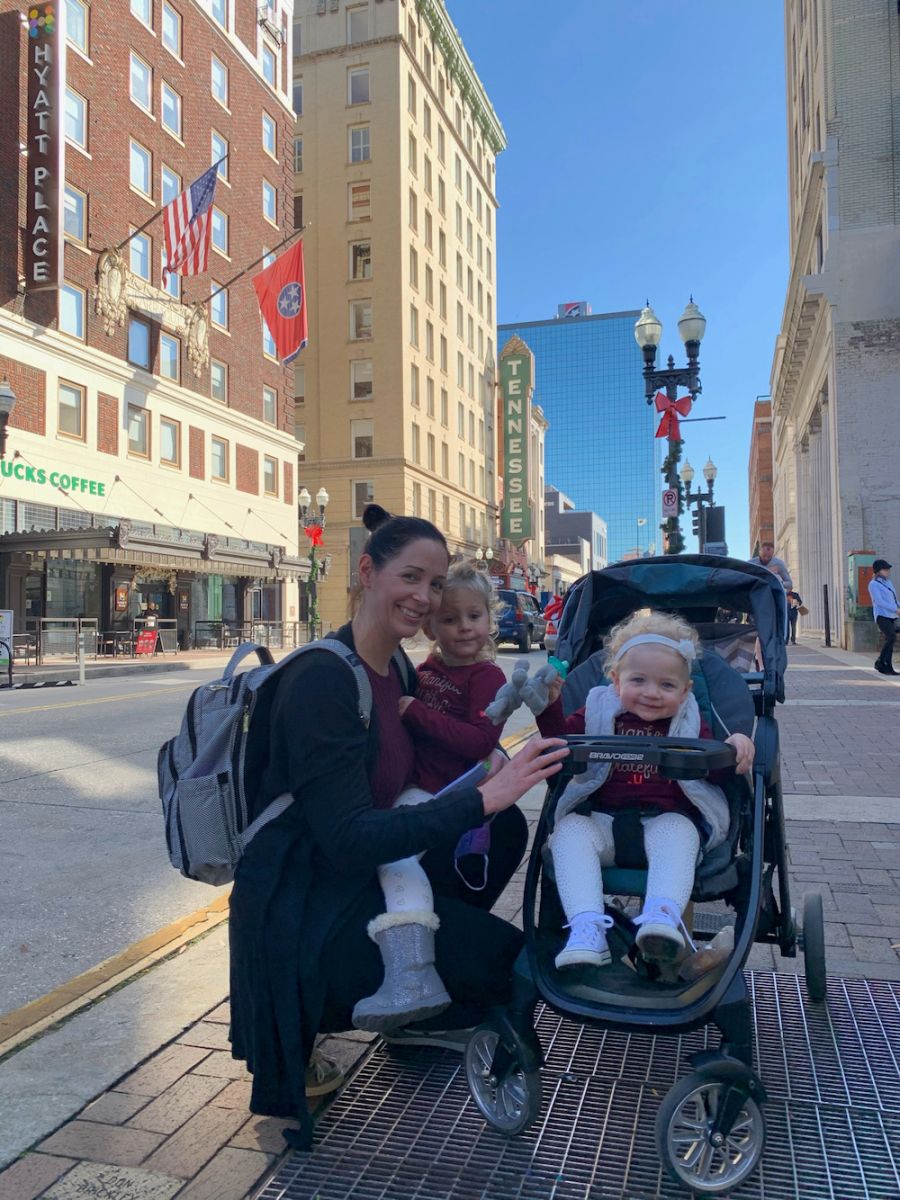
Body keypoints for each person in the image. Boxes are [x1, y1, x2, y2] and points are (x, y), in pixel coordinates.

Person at [228, 505, 567, 1146]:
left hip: (367, 882)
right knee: (509, 966)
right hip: (308, 912)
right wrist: (482, 800)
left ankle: (415, 985)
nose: (424, 598)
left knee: (504, 836)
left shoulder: (401, 671)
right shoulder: (321, 682)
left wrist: (488, 772)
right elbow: (348, 837)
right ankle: (349, 1000)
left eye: (436, 585)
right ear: (366, 571)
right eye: (410, 577)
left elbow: (433, 764)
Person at [533, 611, 754, 970]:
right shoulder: (598, 710)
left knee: (679, 831)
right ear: (616, 681)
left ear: (685, 692)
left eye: (667, 686)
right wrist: (548, 707)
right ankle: (587, 928)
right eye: (639, 680)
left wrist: (735, 747)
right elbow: (562, 745)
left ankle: (661, 917)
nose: (652, 693)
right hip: (603, 822)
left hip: (665, 821)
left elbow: (715, 776)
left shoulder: (689, 721)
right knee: (567, 832)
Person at [351, 559, 507, 1032]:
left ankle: (412, 971)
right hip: (412, 789)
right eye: (449, 618)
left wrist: (415, 712)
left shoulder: (489, 679)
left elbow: (477, 741)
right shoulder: (428, 668)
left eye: (474, 616)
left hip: (442, 794)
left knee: (393, 858)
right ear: (432, 625)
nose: (463, 627)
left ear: (488, 619)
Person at [868, 559, 899, 675]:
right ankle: (880, 662)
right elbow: (879, 601)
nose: (887, 571)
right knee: (891, 637)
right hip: (881, 615)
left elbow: (894, 600)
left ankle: (888, 667)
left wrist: (898, 608)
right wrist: (895, 609)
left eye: (888, 569)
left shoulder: (888, 583)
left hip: (891, 615)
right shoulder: (873, 584)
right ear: (878, 571)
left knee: (890, 640)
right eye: (885, 569)